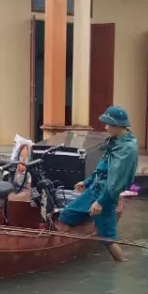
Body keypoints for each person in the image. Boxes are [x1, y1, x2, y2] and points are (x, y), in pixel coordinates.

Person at [59, 106, 139, 262]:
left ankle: (122, 265)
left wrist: (101, 202)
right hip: (95, 189)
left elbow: (116, 181)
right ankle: (78, 243)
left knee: (108, 239)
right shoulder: (113, 142)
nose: (106, 127)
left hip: (107, 195)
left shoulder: (127, 149)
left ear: (117, 126)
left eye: (108, 124)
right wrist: (87, 182)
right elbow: (102, 167)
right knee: (67, 215)